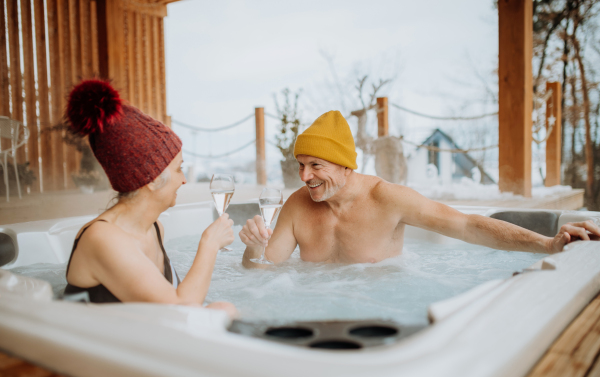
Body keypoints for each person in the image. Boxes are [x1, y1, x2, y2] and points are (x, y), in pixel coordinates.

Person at [240, 110, 600, 266]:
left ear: (348, 166)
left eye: (316, 165)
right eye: (301, 166)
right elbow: (264, 272)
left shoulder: (388, 199)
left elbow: (467, 225)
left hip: (383, 320)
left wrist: (547, 244)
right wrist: (253, 249)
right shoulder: (297, 205)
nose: (304, 177)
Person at [63, 79, 235, 316]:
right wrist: (210, 244)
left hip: (135, 339)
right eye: (178, 169)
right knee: (223, 312)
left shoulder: (154, 229)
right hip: (96, 349)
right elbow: (182, 309)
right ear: (153, 178)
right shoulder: (103, 238)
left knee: (224, 310)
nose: (184, 180)